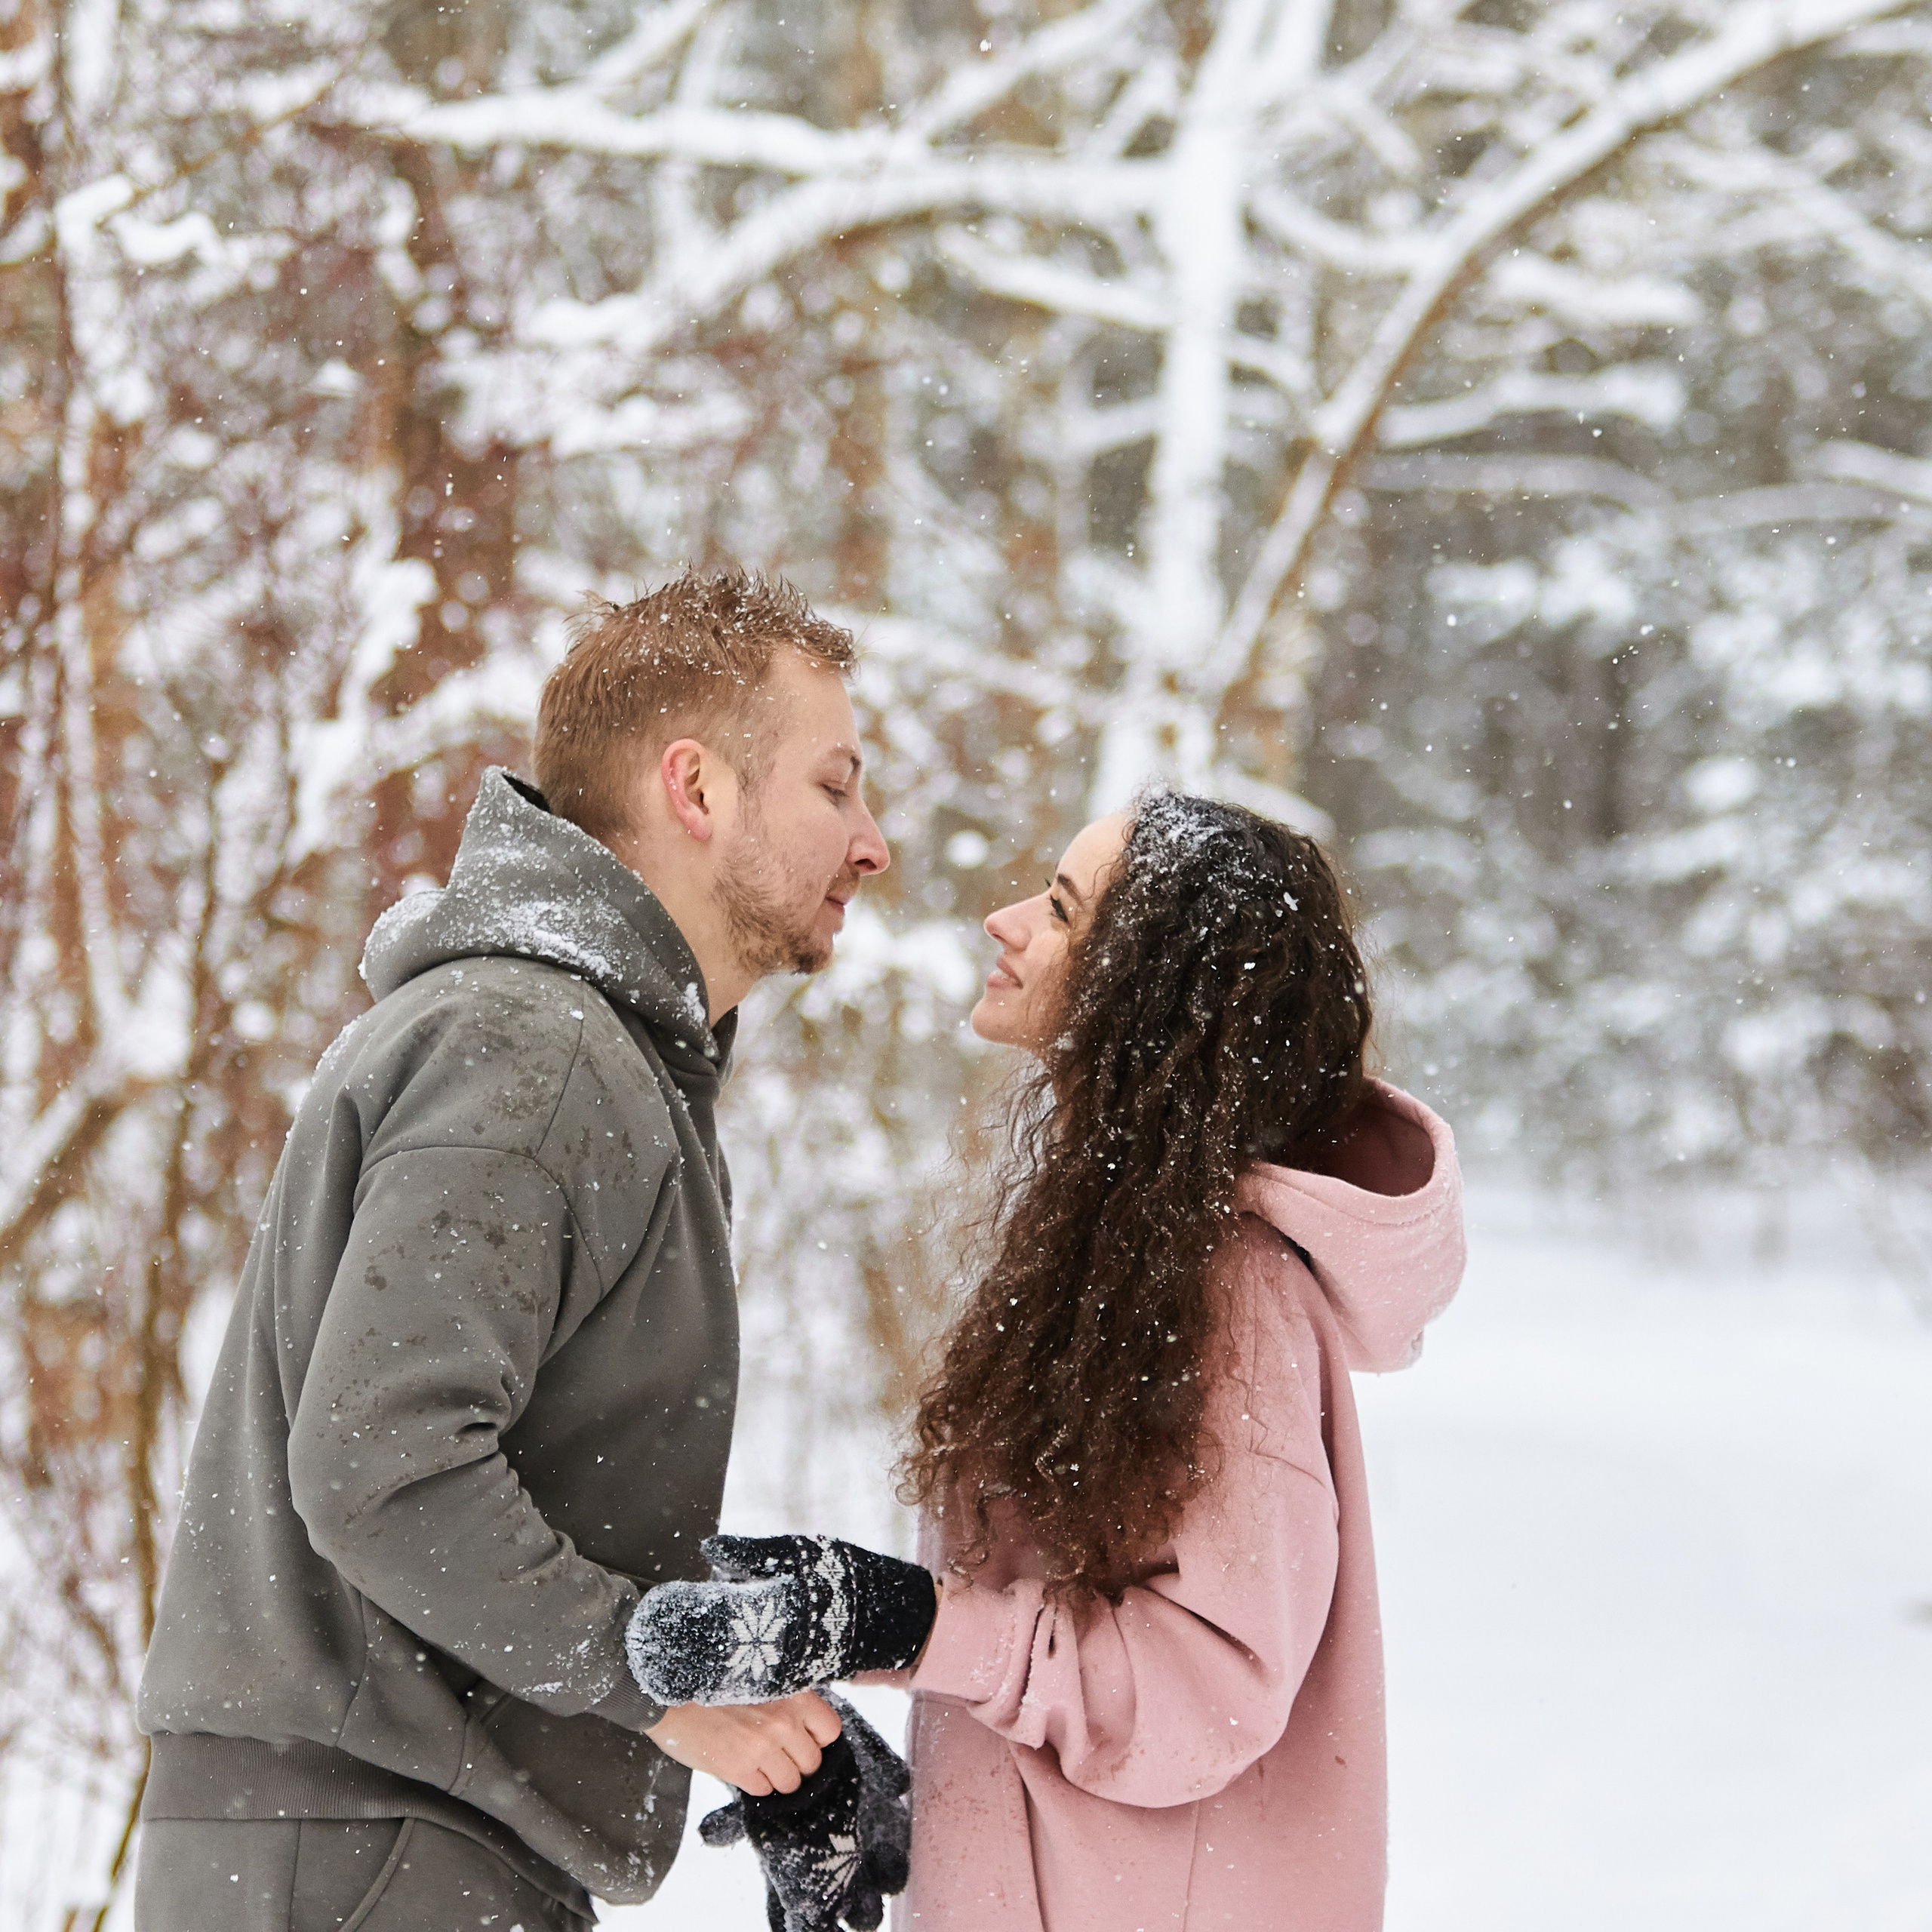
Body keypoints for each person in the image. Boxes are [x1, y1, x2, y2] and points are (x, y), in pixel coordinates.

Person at [134, 569, 909, 1932]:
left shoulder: (586, 1057)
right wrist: (655, 1678)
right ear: (699, 789)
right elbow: (386, 1463)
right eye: (836, 786)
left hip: (396, 1844)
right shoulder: (537, 1052)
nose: (874, 842)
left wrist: (748, 1689)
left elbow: (534, 1479)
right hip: (368, 1851)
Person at [629, 790, 1466, 1930]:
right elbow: (1057, 1669)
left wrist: (906, 1623)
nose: (1005, 921)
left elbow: (1204, 1693)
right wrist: (886, 1789)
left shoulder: (1237, 1291)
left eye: (1062, 910)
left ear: (1146, 991)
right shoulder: (1129, 1245)